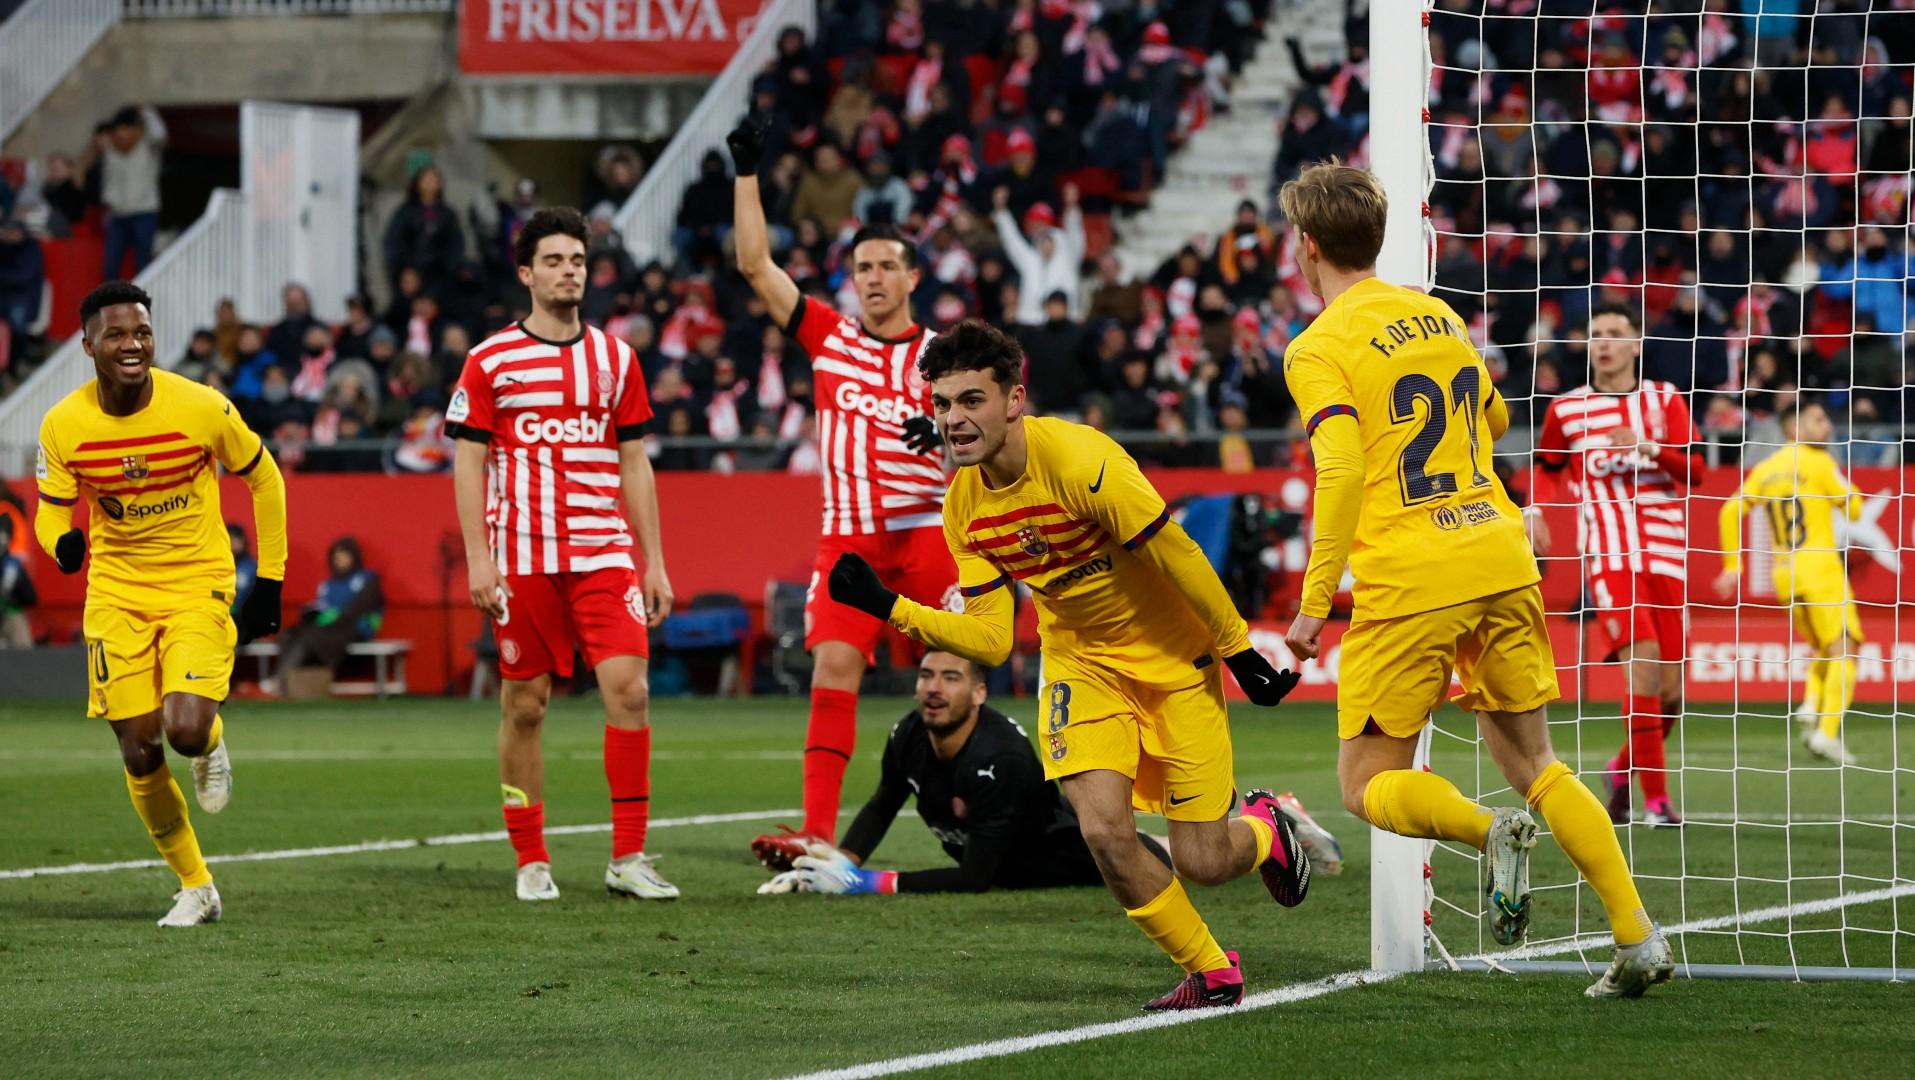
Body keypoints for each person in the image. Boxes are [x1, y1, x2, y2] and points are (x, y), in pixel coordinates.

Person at [825, 318, 1313, 1011]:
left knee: (1204, 861)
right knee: (1103, 833)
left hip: (1172, 660)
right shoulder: (963, 506)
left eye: (970, 400)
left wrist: (1236, 648)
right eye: (940, 404)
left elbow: (1174, 553)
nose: (953, 420)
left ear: (1014, 399)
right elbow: (993, 640)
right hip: (1080, 664)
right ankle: (1211, 970)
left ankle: (1265, 829)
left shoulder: (1084, 462)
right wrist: (888, 605)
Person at [1275, 162, 1670, 998]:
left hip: (1411, 572)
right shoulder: (1437, 314)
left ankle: (1487, 832)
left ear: (1306, 247)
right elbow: (1492, 417)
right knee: (1537, 762)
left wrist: (1312, 608)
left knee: (1363, 782)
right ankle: (1635, 935)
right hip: (1497, 549)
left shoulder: (1317, 346)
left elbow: (1340, 471)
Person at [727, 114, 959, 867]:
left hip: (927, 531)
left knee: (958, 674)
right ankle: (818, 834)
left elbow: (1001, 435)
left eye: (887, 266)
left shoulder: (943, 357)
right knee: (832, 666)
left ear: (913, 277)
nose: (873, 278)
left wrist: (949, 436)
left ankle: (995, 803)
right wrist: (747, 174)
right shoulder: (827, 336)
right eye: (862, 267)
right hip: (851, 537)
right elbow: (757, 265)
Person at [34, 280, 288, 927]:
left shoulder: (200, 407)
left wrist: (272, 579)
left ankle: (210, 741)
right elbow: (50, 509)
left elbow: (263, 475)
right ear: (88, 343)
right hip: (116, 595)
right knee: (140, 751)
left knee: (185, 730)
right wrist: (60, 541)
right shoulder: (64, 424)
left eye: (142, 332)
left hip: (195, 585)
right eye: (116, 334)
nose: (132, 344)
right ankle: (197, 887)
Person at [447, 208, 678, 904]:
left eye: (576, 260)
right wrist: (478, 560)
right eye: (553, 260)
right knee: (525, 705)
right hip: (521, 557)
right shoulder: (490, 360)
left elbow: (634, 461)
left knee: (631, 692)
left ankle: (628, 857)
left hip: (602, 552)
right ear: (526, 273)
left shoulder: (617, 359)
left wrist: (655, 560)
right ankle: (531, 857)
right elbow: (467, 463)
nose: (567, 271)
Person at [758, 650, 1171, 896]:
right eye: (926, 676)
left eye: (950, 678)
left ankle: (1234, 834)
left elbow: (975, 878)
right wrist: (838, 862)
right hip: (1011, 847)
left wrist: (863, 882)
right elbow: (884, 802)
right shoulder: (909, 732)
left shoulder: (1001, 759)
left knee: (1188, 861)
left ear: (979, 693)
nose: (933, 688)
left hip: (1065, 856)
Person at [1532, 303, 1704, 826]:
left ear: (1635, 345)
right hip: (1609, 557)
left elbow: (1694, 470)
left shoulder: (1664, 399)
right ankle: (1657, 804)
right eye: (1596, 334)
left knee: (1671, 695)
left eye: (1614, 333)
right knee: (1644, 663)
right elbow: (1546, 467)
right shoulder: (1567, 409)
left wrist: (1649, 447)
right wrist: (1536, 511)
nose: (1603, 342)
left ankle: (1621, 769)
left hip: (1668, 558)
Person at [1714, 400, 1865, 765]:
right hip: (1821, 569)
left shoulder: (1766, 469)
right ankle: (1826, 734)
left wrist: (1733, 564)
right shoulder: (1818, 461)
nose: (1826, 426)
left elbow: (1730, 510)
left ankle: (1812, 704)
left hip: (1785, 574)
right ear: (1794, 428)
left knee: (1825, 649)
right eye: (1818, 419)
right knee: (1848, 648)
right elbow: (1855, 507)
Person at [275, 537, 385, 682]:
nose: (340, 561)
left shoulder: (368, 579)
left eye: (345, 557)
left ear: (354, 557)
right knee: (290, 634)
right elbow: (322, 605)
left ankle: (281, 681)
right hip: (328, 628)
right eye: (337, 558)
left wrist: (337, 615)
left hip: (354, 628)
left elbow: (361, 605)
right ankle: (298, 683)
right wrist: (312, 613)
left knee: (309, 638)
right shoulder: (328, 585)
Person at [99, 106, 167, 279]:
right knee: (110, 267)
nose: (122, 134)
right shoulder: (110, 148)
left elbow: (160, 134)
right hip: (118, 215)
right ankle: (111, 304)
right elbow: (109, 178)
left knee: (142, 264)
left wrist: (147, 112)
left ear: (135, 129)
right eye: (118, 129)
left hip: (144, 212)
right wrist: (109, 203)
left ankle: (141, 303)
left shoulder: (148, 145)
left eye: (126, 128)